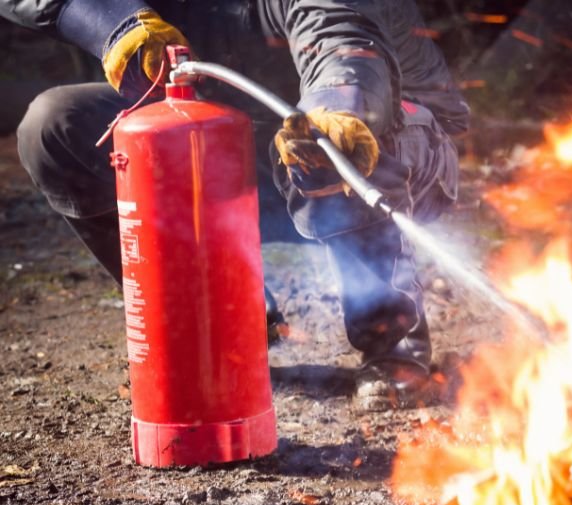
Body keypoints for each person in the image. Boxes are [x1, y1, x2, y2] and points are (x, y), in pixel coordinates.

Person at [0, 0, 469, 411]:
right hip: (233, 137)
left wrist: (337, 103)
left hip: (392, 136)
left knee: (332, 133)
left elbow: (340, 35)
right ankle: (225, 326)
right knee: (55, 125)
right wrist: (109, 21)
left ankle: (391, 346)